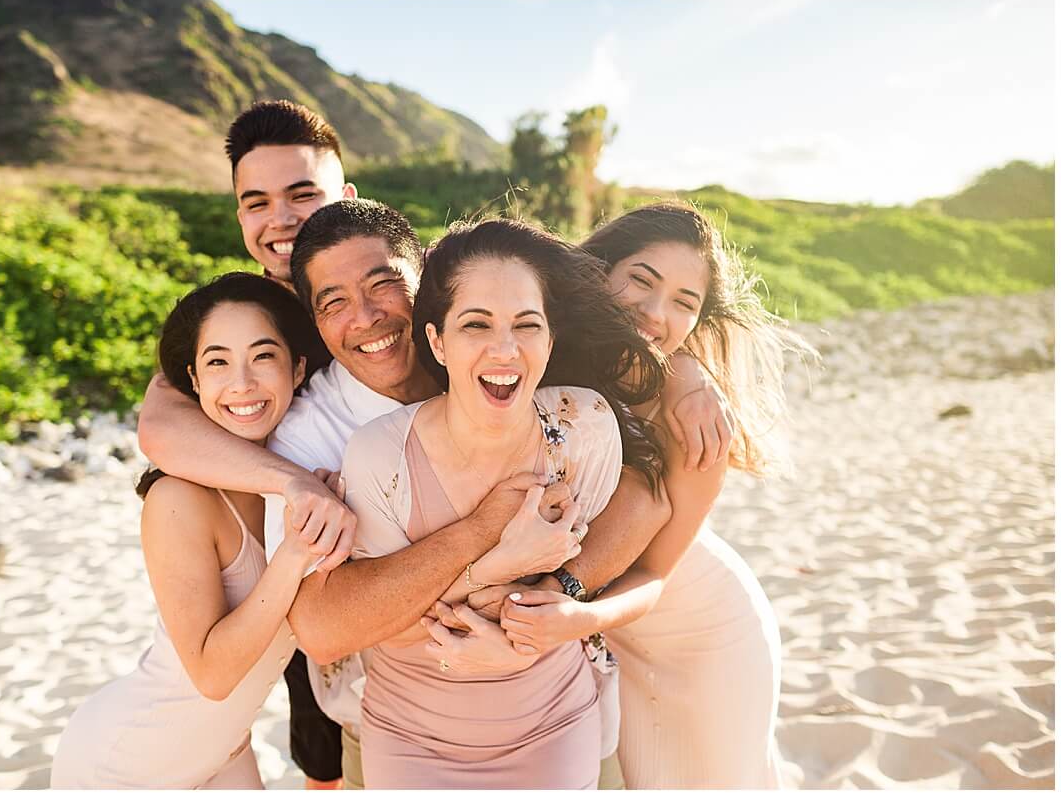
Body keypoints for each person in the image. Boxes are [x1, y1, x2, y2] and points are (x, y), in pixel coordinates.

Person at [143, 195, 733, 790]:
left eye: (383, 285)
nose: (367, 317)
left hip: (555, 708)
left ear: (422, 278)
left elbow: (644, 491)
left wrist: (552, 606)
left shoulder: (513, 356)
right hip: (388, 717)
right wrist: (487, 548)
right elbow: (325, 627)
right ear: (318, 323)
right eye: (334, 303)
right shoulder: (310, 439)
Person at [483, 203, 806, 788]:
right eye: (641, 280)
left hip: (704, 637)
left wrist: (579, 616)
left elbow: (655, 574)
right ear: (602, 270)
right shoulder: (546, 352)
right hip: (615, 642)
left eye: (685, 303)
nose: (656, 314)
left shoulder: (696, 420)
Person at [341, 218, 668, 788]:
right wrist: (500, 565)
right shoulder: (378, 457)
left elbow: (609, 571)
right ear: (437, 341)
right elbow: (382, 629)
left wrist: (542, 620)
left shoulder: (583, 426)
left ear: (550, 339)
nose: (505, 348)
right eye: (476, 324)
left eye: (527, 324)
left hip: (553, 719)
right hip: (412, 735)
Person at [138, 99, 358, 789]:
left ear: (347, 199)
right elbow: (161, 423)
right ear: (240, 217)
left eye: (304, 194)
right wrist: (294, 483)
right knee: (322, 761)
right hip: (308, 581)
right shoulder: (248, 317)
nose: (281, 219)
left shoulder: (398, 282)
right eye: (256, 201)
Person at [50, 273, 323, 789]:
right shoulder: (179, 497)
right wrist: (292, 556)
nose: (241, 382)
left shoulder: (294, 473)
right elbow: (212, 675)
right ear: (194, 380)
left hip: (224, 747)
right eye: (217, 361)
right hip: (129, 763)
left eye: (263, 356)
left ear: (298, 367)